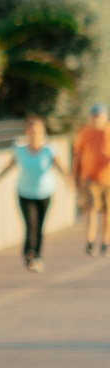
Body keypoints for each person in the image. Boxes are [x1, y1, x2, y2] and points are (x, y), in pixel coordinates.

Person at [0, 117, 69, 273]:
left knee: (40, 226)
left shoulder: (49, 150)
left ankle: (37, 256)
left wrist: (70, 183)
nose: (34, 133)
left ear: (43, 131)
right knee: (31, 224)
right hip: (25, 193)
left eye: (37, 130)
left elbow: (61, 167)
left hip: (44, 193)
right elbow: (8, 166)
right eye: (31, 130)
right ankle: (29, 254)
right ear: (27, 132)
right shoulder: (20, 150)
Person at [78, 102, 110, 258]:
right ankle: (90, 243)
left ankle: (105, 243)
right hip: (90, 179)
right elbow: (78, 155)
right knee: (91, 210)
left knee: (107, 213)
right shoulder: (85, 133)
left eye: (99, 116)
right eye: (94, 116)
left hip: (108, 180)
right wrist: (75, 177)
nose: (96, 119)